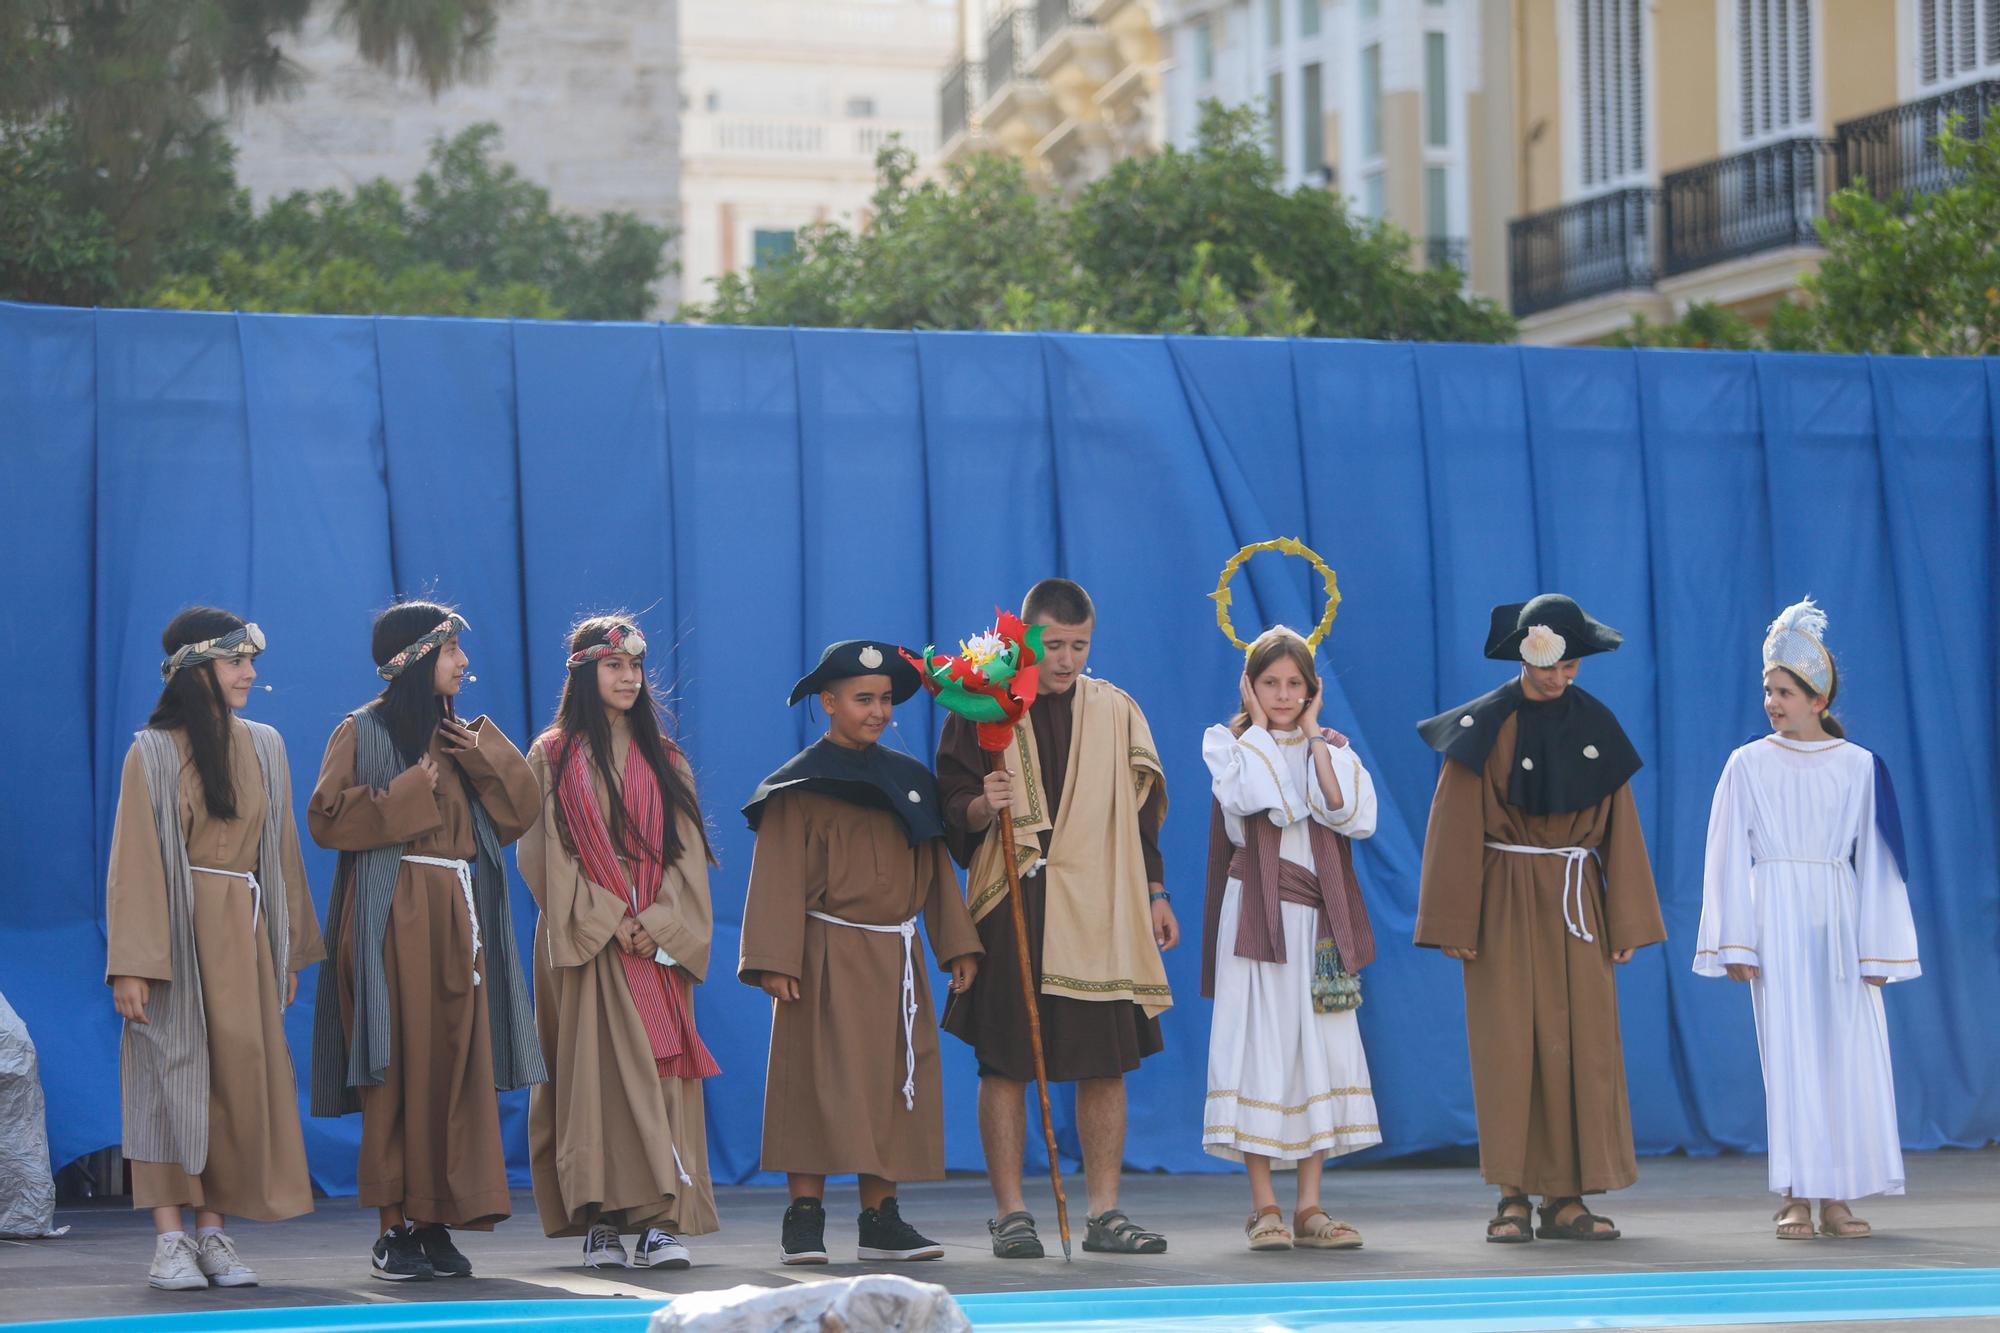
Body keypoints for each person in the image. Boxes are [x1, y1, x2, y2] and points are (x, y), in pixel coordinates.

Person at [937, 578, 1180, 1259]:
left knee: (1107, 1059)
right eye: (1053, 645)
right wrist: (984, 803)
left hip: (1101, 899)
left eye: (1079, 645)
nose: (1066, 659)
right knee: (1005, 1060)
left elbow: (1142, 811)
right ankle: (1011, 1212)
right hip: (1016, 897)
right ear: (1026, 638)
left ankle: (1105, 1211)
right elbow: (951, 800)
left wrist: (1156, 890)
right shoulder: (983, 701)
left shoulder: (1116, 709)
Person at [1413, 594, 1664, 1243]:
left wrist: (1626, 918)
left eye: (1570, 665)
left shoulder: (1597, 725)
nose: (1558, 678)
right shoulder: (1487, 724)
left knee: (1578, 1046)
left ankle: (1567, 1195)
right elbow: (1455, 824)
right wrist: (1455, 922)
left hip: (1576, 903)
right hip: (1503, 898)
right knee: (1509, 1045)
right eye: (1549, 665)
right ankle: (1512, 1194)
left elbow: (1622, 830)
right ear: (1525, 653)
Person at [308, 601, 545, 1282]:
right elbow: (326, 818)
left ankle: (437, 1220)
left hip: (455, 913)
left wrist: (488, 753)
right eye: (450, 651)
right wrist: (411, 790)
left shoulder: (461, 737)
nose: (463, 663)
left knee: (454, 1067)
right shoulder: (362, 730)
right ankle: (393, 1229)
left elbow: (519, 813)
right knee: (396, 1062)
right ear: (415, 658)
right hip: (391, 912)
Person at [739, 639, 982, 1266]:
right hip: (822, 955)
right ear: (827, 702)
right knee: (813, 1081)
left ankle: (880, 1217)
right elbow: (777, 874)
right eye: (862, 698)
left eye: (884, 700)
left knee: (893, 1081)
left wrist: (954, 943)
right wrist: (775, 958)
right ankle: (805, 1217)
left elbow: (933, 867)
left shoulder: (910, 784)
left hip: (895, 958)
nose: (877, 711)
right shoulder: (798, 785)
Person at [106, 608, 324, 1291]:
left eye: (249, 662)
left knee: (232, 1080)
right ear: (196, 668)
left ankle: (212, 1230)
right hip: (175, 931)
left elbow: (280, 850)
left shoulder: (265, 745)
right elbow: (136, 860)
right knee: (169, 1074)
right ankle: (170, 1237)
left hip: (244, 932)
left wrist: (286, 947)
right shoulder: (154, 751)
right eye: (236, 662)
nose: (250, 674)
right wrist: (134, 963)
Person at [1694, 598, 1918, 1240]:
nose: (1773, 701)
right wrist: (1736, 937)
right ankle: (1795, 1192)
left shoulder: (1858, 766)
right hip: (1779, 921)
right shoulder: (1747, 764)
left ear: (1817, 698)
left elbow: (1879, 861)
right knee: (1790, 1055)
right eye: (1768, 690)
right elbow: (1726, 854)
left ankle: (1839, 1197)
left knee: (1845, 1055)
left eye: (1785, 691)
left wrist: (1881, 951)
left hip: (1840, 920)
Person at [522, 615, 721, 1269]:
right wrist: (609, 916)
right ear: (584, 672)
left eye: (635, 666)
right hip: (588, 934)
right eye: (614, 665)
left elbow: (687, 855)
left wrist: (657, 923)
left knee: (661, 1065)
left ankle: (662, 1220)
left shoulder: (667, 759)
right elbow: (542, 851)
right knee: (591, 1075)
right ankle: (600, 1217)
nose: (629, 676)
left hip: (652, 938)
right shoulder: (550, 754)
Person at [1201, 626, 1381, 1252]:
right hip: (1254, 915)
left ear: (1313, 690)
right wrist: (1260, 727)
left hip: (1314, 921)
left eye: (1293, 684)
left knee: (1315, 1047)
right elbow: (1266, 800)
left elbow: (1346, 812)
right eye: (1269, 683)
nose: (1282, 694)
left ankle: (1309, 1205)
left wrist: (1312, 739)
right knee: (1259, 1043)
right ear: (1250, 686)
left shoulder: (1328, 749)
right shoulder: (1228, 745)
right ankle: (1264, 1205)